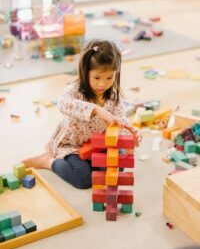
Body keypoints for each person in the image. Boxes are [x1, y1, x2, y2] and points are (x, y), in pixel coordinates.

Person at [22, 39, 141, 189]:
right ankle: (47, 161)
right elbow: (63, 103)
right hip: (73, 146)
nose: (102, 84)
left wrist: (130, 135)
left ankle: (93, 164)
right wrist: (97, 110)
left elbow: (120, 121)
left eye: (109, 78)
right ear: (86, 72)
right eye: (97, 77)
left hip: (100, 145)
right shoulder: (75, 90)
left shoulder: (114, 98)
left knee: (117, 165)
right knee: (83, 179)